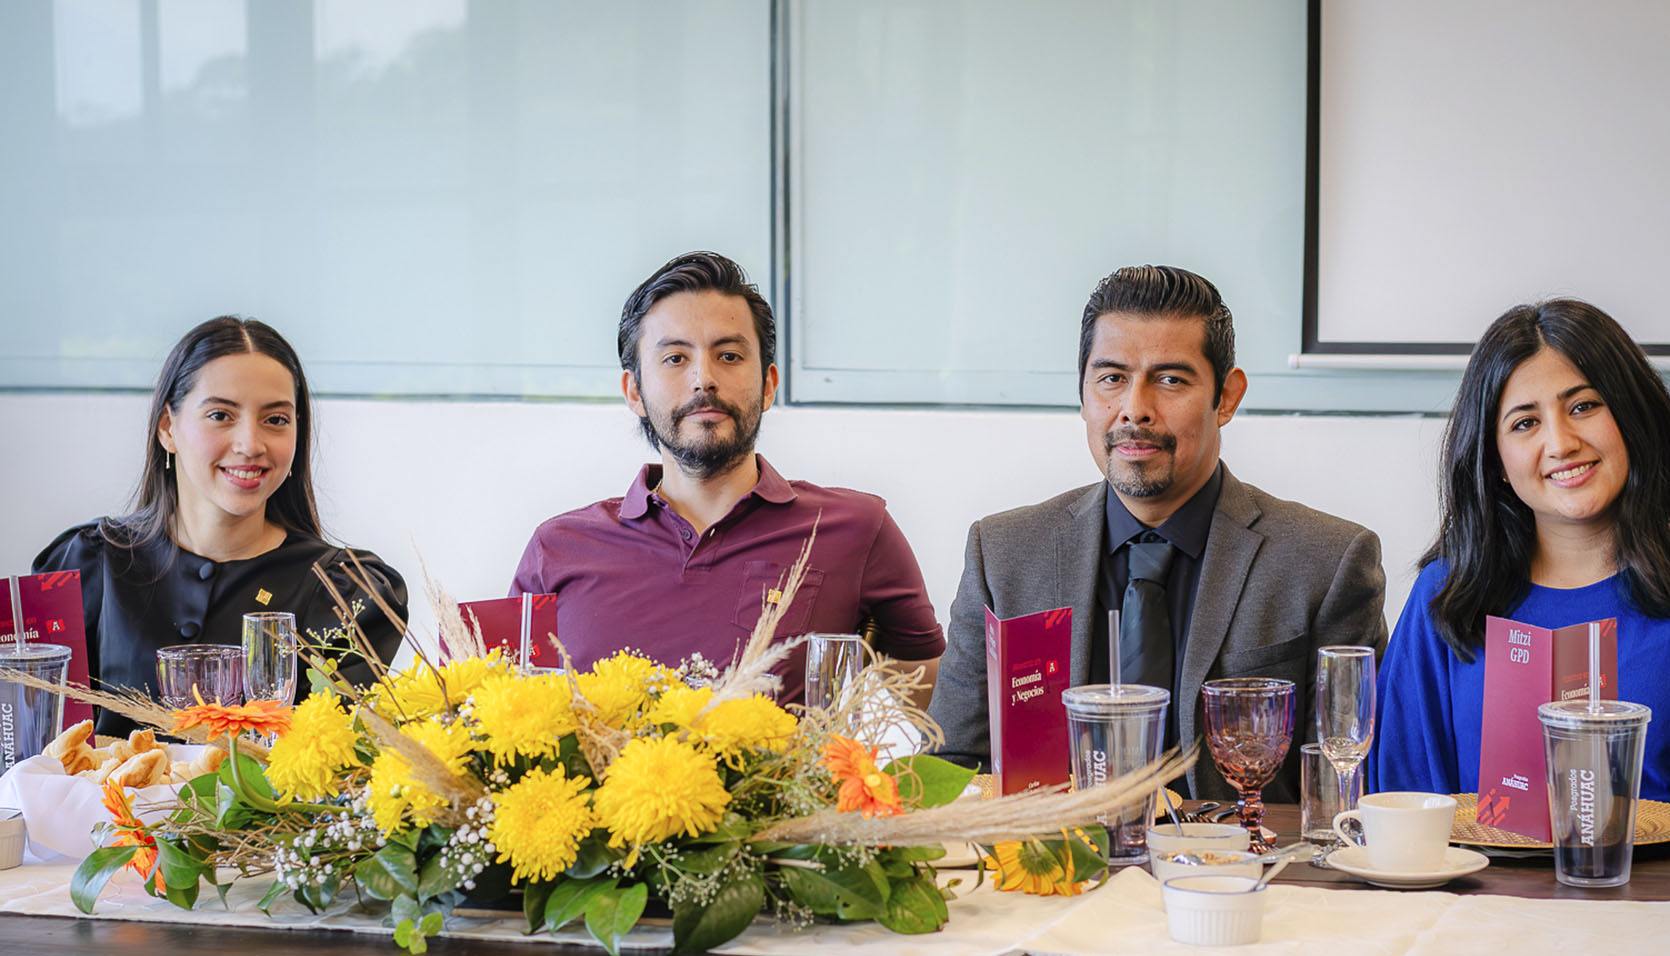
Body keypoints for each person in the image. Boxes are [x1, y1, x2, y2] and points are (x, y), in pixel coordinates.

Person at [927, 265, 1387, 806]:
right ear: (1082, 395)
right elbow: (950, 767)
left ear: (1227, 397)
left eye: (1170, 379)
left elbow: (1349, 787)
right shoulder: (1004, 554)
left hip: (1243, 877)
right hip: (1056, 878)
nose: (1135, 409)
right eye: (1112, 378)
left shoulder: (1325, 562)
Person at [1374, 299, 1670, 823]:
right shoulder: (1445, 596)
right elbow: (1399, 816)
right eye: (1525, 423)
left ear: (1633, 415)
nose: (1561, 443)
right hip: (1478, 904)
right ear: (1497, 462)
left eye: (1583, 406)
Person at [511, 251, 944, 702]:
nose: (704, 378)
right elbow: (500, 717)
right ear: (634, 391)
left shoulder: (856, 528)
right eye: (675, 358)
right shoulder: (557, 548)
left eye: (730, 355)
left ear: (769, 385)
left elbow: (939, 702)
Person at [35, 316, 408, 737]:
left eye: (276, 420)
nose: (251, 443)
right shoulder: (87, 563)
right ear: (167, 428)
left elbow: (330, 769)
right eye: (220, 414)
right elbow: (37, 747)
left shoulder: (345, 593)